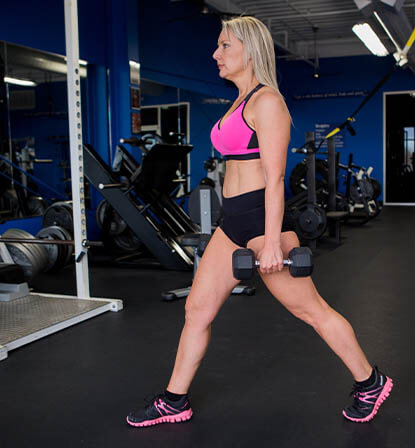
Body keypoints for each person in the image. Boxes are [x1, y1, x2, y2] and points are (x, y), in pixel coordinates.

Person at [126, 16, 392, 427]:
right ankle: (174, 400)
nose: (216, 53)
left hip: (261, 220)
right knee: (196, 310)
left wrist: (270, 243)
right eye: (217, 46)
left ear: (249, 50)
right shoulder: (239, 99)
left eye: (224, 46)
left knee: (311, 310)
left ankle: (370, 381)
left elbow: (275, 178)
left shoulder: (268, 102)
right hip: (232, 221)